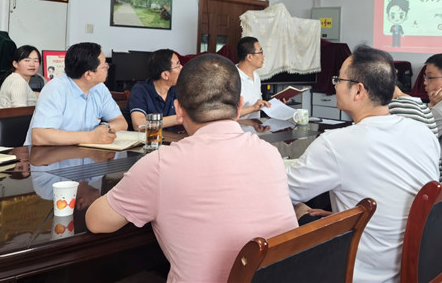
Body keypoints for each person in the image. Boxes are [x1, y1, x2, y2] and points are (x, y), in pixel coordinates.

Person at [86, 53, 298, 283]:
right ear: (239, 106)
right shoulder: (270, 153)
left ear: (178, 110)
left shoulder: (161, 165)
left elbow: (96, 222)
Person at [285, 45, 440, 283]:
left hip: (362, 269)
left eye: (338, 79)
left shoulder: (336, 143)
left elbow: (283, 192)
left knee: (295, 212)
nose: (335, 85)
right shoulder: (422, 133)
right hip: (417, 260)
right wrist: (343, 215)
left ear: (358, 90)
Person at [24, 42, 127, 146]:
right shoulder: (56, 89)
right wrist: (91, 136)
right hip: (48, 154)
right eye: (104, 66)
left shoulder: (99, 88)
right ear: (88, 74)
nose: (107, 68)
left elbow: (121, 122)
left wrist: (104, 128)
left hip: (83, 152)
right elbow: (39, 136)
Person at [389, 85, 442, 180]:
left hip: (422, 185)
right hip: (435, 181)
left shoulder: (395, 107)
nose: (425, 83)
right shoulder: (421, 105)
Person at [124, 49, 181, 131]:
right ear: (165, 75)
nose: (182, 67)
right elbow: (139, 124)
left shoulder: (176, 89)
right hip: (144, 138)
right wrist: (180, 118)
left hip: (169, 138)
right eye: (178, 65)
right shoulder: (140, 90)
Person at [236, 36, 270, 132]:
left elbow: (257, 104)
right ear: (249, 57)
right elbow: (228, 114)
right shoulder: (233, 78)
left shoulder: (256, 76)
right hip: (238, 133)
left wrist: (275, 103)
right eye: (260, 52)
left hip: (254, 132)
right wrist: (253, 108)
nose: (263, 56)